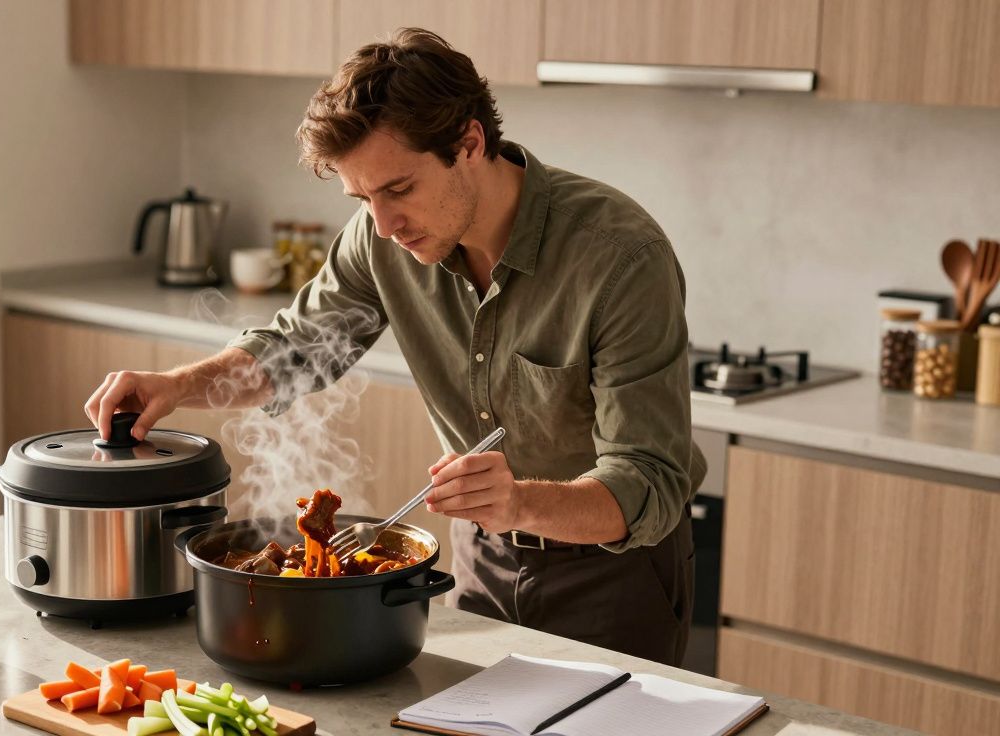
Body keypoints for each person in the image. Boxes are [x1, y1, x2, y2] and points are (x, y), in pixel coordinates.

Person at [84, 28, 706, 666]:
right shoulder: (382, 238)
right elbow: (299, 348)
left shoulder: (621, 257)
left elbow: (650, 481)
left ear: (469, 143)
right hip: (481, 557)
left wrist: (518, 500)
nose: (382, 224)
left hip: (614, 572)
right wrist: (178, 386)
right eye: (362, 198)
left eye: (399, 189)